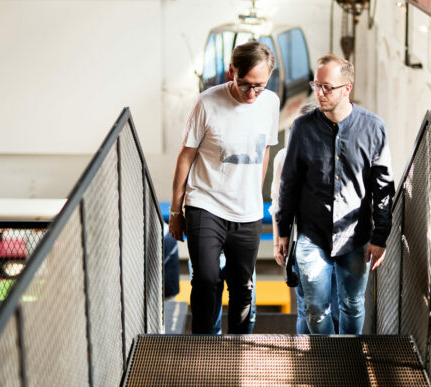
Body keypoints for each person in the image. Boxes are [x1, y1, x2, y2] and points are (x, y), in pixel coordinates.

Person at [276, 54, 394, 335]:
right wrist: (283, 232)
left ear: (347, 88)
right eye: (316, 85)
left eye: (327, 87)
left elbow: (383, 187)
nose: (319, 93)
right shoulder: (302, 127)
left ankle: (350, 359)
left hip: (355, 237)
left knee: (352, 305)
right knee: (316, 310)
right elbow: (289, 183)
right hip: (311, 236)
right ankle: (326, 363)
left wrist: (380, 237)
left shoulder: (373, 128)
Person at [169, 41, 279, 334]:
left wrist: (254, 192)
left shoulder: (271, 103)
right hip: (206, 204)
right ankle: (205, 346)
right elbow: (186, 156)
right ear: (232, 72)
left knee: (242, 287)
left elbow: (264, 150)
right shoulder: (207, 103)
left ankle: (240, 348)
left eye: (260, 86)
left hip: (248, 211)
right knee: (206, 280)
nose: (252, 94)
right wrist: (176, 210)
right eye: (245, 85)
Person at [270, 100, 339, 334]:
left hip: (334, 240)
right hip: (305, 241)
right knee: (311, 307)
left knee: (326, 308)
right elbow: (277, 204)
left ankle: (330, 358)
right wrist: (279, 240)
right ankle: (315, 359)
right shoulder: (284, 157)